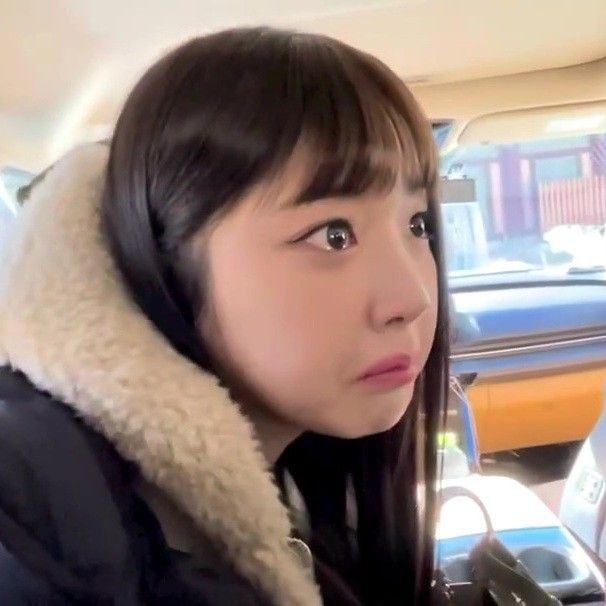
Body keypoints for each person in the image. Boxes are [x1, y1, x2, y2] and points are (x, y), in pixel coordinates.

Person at [0, 27, 449, 605]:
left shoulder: (311, 491)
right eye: (334, 235)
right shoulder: (32, 512)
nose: (412, 298)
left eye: (417, 224)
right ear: (166, 260)